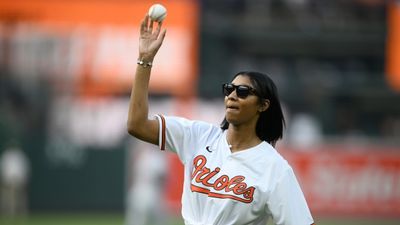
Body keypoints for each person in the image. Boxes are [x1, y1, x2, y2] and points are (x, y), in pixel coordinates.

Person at [127, 14, 315, 225]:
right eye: (229, 89)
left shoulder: (275, 168)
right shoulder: (198, 136)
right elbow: (137, 125)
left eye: (243, 91)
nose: (232, 95)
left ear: (263, 105)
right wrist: (145, 60)